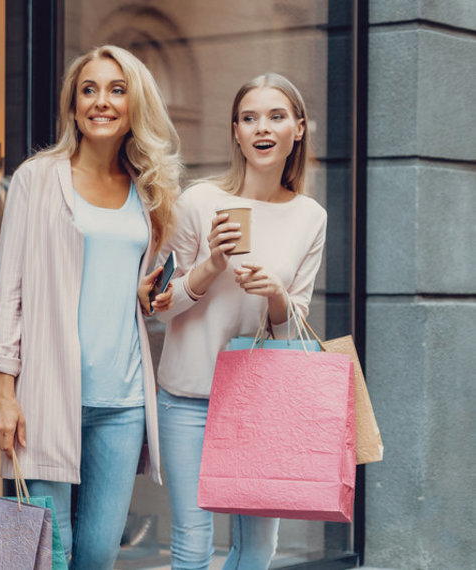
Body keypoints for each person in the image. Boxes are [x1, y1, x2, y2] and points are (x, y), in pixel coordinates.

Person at [0, 45, 182, 569]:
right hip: (47, 396)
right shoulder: (37, 179)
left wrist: (146, 295)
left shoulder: (148, 190)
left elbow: (131, 283)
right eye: (88, 90)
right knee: (47, 551)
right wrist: (4, 390)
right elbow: (11, 291)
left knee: (96, 554)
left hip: (122, 402)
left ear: (133, 105)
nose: (102, 101)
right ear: (73, 107)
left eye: (117, 90)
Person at [142, 73, 327, 569]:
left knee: (258, 548)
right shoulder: (200, 202)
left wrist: (277, 296)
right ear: (237, 133)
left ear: (299, 129)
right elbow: (161, 304)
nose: (261, 128)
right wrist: (211, 265)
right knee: (192, 541)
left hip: (261, 401)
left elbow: (295, 326)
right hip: (188, 399)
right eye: (249, 119)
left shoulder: (310, 216)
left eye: (275, 116)